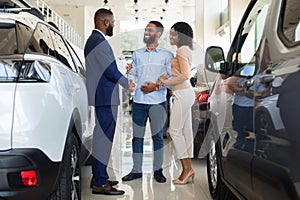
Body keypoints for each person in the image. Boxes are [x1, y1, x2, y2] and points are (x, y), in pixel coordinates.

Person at [84, 8, 134, 195]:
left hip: (103, 96)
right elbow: (110, 70)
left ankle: (100, 176)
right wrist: (126, 83)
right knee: (103, 140)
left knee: (102, 139)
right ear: (105, 22)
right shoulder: (98, 41)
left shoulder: (95, 41)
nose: (113, 25)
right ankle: (99, 182)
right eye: (112, 21)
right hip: (105, 97)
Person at [122, 21, 173, 183]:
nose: (146, 32)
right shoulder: (137, 54)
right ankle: (136, 170)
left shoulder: (167, 55)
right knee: (137, 137)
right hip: (138, 101)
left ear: (158, 34)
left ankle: (158, 170)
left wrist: (156, 87)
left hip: (157, 101)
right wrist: (131, 81)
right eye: (145, 30)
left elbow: (171, 77)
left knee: (157, 136)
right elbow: (134, 74)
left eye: (149, 30)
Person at [158, 22, 195, 184]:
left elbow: (185, 75)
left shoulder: (181, 50)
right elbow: (180, 74)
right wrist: (167, 78)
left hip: (183, 93)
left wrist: (165, 83)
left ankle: (187, 169)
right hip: (184, 93)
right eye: (170, 34)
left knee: (174, 131)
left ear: (181, 35)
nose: (171, 37)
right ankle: (189, 169)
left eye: (174, 34)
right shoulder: (185, 49)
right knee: (185, 131)